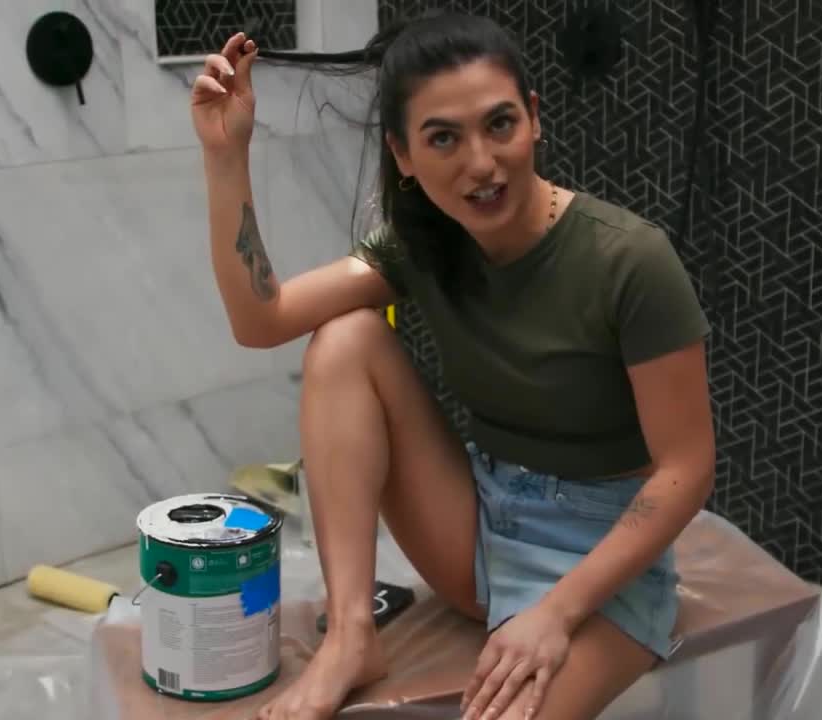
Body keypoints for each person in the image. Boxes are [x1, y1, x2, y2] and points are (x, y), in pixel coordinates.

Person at [191, 12, 716, 720]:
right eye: (443, 138)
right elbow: (263, 320)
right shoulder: (424, 246)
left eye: (500, 125)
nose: (481, 163)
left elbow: (688, 468)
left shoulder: (629, 261)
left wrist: (556, 612)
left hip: (603, 565)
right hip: (481, 526)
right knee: (344, 338)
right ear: (402, 153)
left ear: (534, 118)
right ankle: (351, 635)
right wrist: (226, 157)